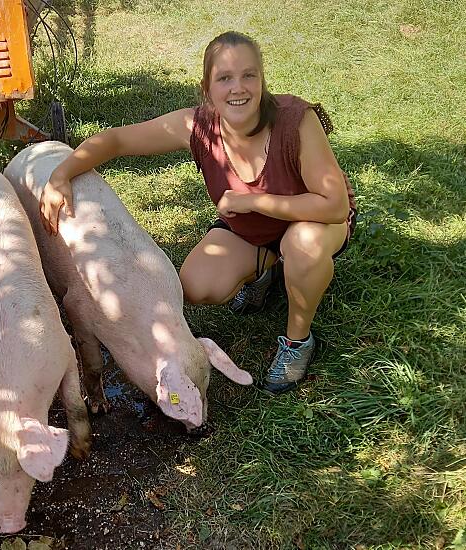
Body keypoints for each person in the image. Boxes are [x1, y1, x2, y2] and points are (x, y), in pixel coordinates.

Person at [39, 31, 356, 395]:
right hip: (252, 232)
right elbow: (116, 140)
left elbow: (334, 206)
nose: (238, 88)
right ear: (207, 88)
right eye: (225, 78)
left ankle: (298, 341)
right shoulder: (199, 126)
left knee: (302, 245)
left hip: (314, 223)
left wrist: (253, 201)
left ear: (262, 79)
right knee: (195, 284)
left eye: (249, 75)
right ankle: (266, 272)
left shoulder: (296, 120)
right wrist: (61, 174)